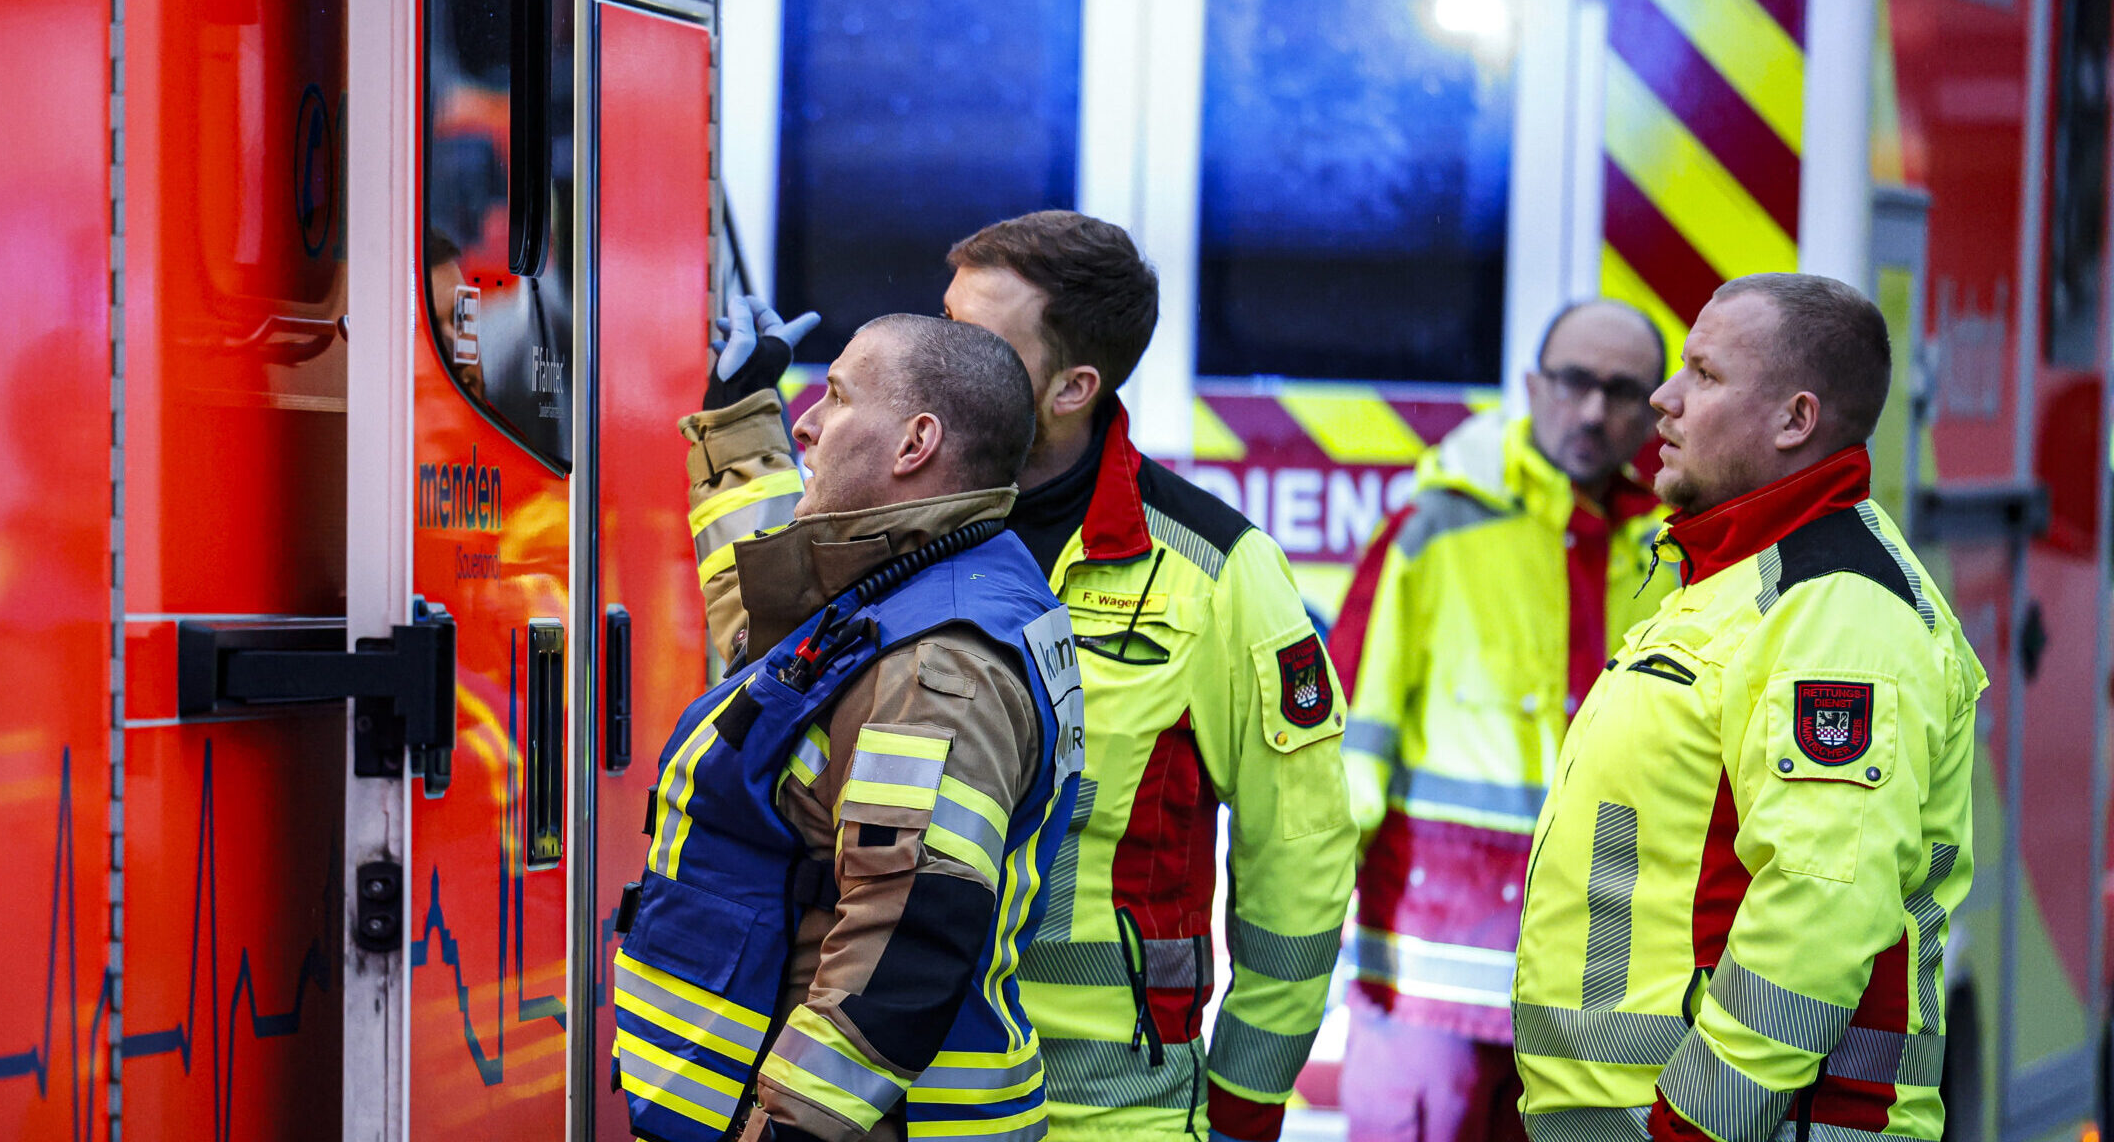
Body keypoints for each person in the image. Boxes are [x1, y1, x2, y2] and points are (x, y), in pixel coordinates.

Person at [1511, 275, 1982, 1142]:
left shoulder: (1838, 611)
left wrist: (1692, 1127)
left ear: (1795, 421)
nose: (1662, 398)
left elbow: (1815, 915)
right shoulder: (1734, 579)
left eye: (1704, 374)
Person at [614, 309, 1088, 1142]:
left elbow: (906, 941)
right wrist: (738, 424)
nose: (808, 421)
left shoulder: (939, 672)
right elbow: (771, 652)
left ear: (914, 445)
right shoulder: (914, 586)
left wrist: (792, 1130)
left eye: (834, 397)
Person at [940, 211, 1356, 1141]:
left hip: (1104, 1111)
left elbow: (1300, 856)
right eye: (941, 323)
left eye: (974, 346)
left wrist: (1248, 1099)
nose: (936, 362)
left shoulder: (1215, 572)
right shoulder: (896, 529)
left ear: (1072, 387)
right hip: (900, 1099)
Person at [1330, 299, 1672, 1142]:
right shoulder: (1435, 530)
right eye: (1575, 382)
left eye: (1623, 391)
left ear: (1656, 408)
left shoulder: (1677, 554)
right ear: (1533, 385)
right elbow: (1342, 755)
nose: (1594, 411)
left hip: (1600, 992)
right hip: (1427, 981)